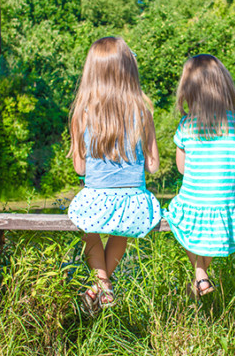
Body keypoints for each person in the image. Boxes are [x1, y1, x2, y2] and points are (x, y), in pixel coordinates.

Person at [67, 36, 160, 315]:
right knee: (126, 226)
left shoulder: (82, 113)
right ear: (128, 70)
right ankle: (104, 285)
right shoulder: (143, 110)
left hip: (95, 197)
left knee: (85, 223)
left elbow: (80, 169)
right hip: (134, 202)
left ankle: (100, 284)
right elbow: (153, 165)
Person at [163, 54, 235, 298]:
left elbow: (182, 169)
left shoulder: (187, 125)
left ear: (189, 90)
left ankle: (200, 275)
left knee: (177, 212)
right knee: (214, 225)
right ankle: (201, 278)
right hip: (224, 207)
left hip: (193, 204)